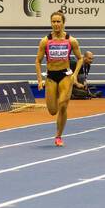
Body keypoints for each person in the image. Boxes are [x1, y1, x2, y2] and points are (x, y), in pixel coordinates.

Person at [34, 10, 83, 147]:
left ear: (63, 23)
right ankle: (57, 110)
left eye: (58, 21)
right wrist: (39, 80)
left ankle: (58, 136)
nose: (56, 24)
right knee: (52, 110)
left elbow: (80, 59)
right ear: (51, 23)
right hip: (50, 76)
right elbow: (38, 61)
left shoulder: (71, 40)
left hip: (65, 76)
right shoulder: (45, 41)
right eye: (53, 22)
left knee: (63, 105)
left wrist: (74, 75)